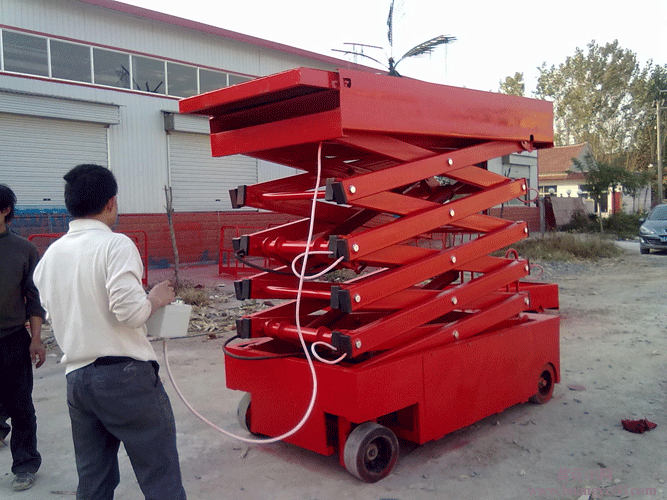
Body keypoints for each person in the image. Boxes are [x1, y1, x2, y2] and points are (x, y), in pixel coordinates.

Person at [33, 165, 187, 500]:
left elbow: (54, 313)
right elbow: (130, 313)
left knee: (94, 481)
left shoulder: (50, 257)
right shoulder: (115, 245)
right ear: (111, 202)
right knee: (160, 477)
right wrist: (155, 298)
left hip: (78, 381)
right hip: (125, 377)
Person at [0, 184, 45, 492]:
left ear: (5, 211)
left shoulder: (23, 250)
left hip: (12, 338)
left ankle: (25, 464)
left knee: (20, 406)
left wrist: (36, 339)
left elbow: (33, 298)